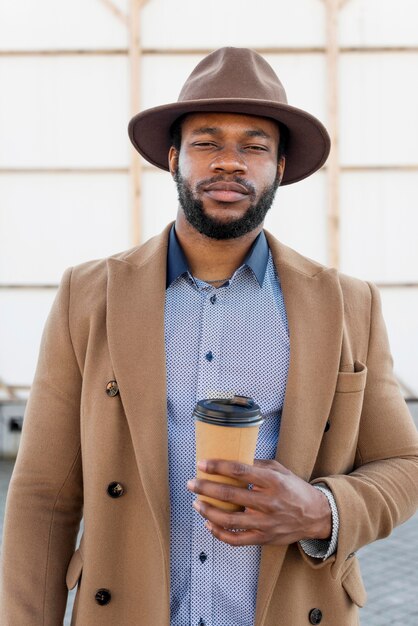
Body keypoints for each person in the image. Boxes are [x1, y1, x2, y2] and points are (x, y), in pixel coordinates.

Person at [1, 47, 418, 626]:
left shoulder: (349, 304)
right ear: (173, 158)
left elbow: (402, 461)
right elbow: (43, 496)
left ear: (280, 168)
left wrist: (324, 510)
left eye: (254, 146)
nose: (230, 162)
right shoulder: (88, 296)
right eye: (207, 142)